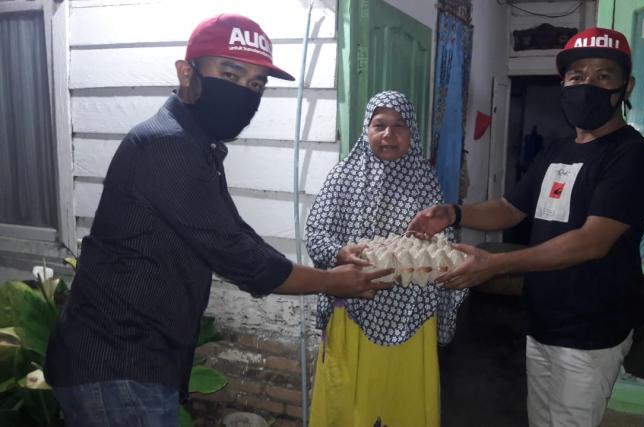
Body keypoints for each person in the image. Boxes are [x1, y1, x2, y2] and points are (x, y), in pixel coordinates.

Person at [44, 14, 391, 427]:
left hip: (135, 360)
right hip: (117, 362)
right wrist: (334, 282)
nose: (244, 93)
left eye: (256, 84)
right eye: (230, 73)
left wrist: (331, 262)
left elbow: (234, 232)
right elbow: (240, 257)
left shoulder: (195, 144)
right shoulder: (166, 146)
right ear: (185, 73)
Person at [408, 27, 644, 426]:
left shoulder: (632, 157)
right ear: (564, 82)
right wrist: (454, 213)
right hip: (542, 321)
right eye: (577, 76)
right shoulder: (558, 150)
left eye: (603, 76)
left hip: (590, 331)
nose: (588, 85)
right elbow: (511, 209)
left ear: (625, 86)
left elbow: (591, 241)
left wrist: (495, 264)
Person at [306, 91, 467, 427]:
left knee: (402, 400)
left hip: (411, 313)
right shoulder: (343, 177)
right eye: (379, 125)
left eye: (399, 126)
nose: (388, 134)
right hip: (353, 307)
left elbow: (443, 243)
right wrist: (339, 253)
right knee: (348, 403)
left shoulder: (425, 181)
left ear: (412, 134)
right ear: (366, 129)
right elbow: (317, 234)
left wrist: (436, 257)